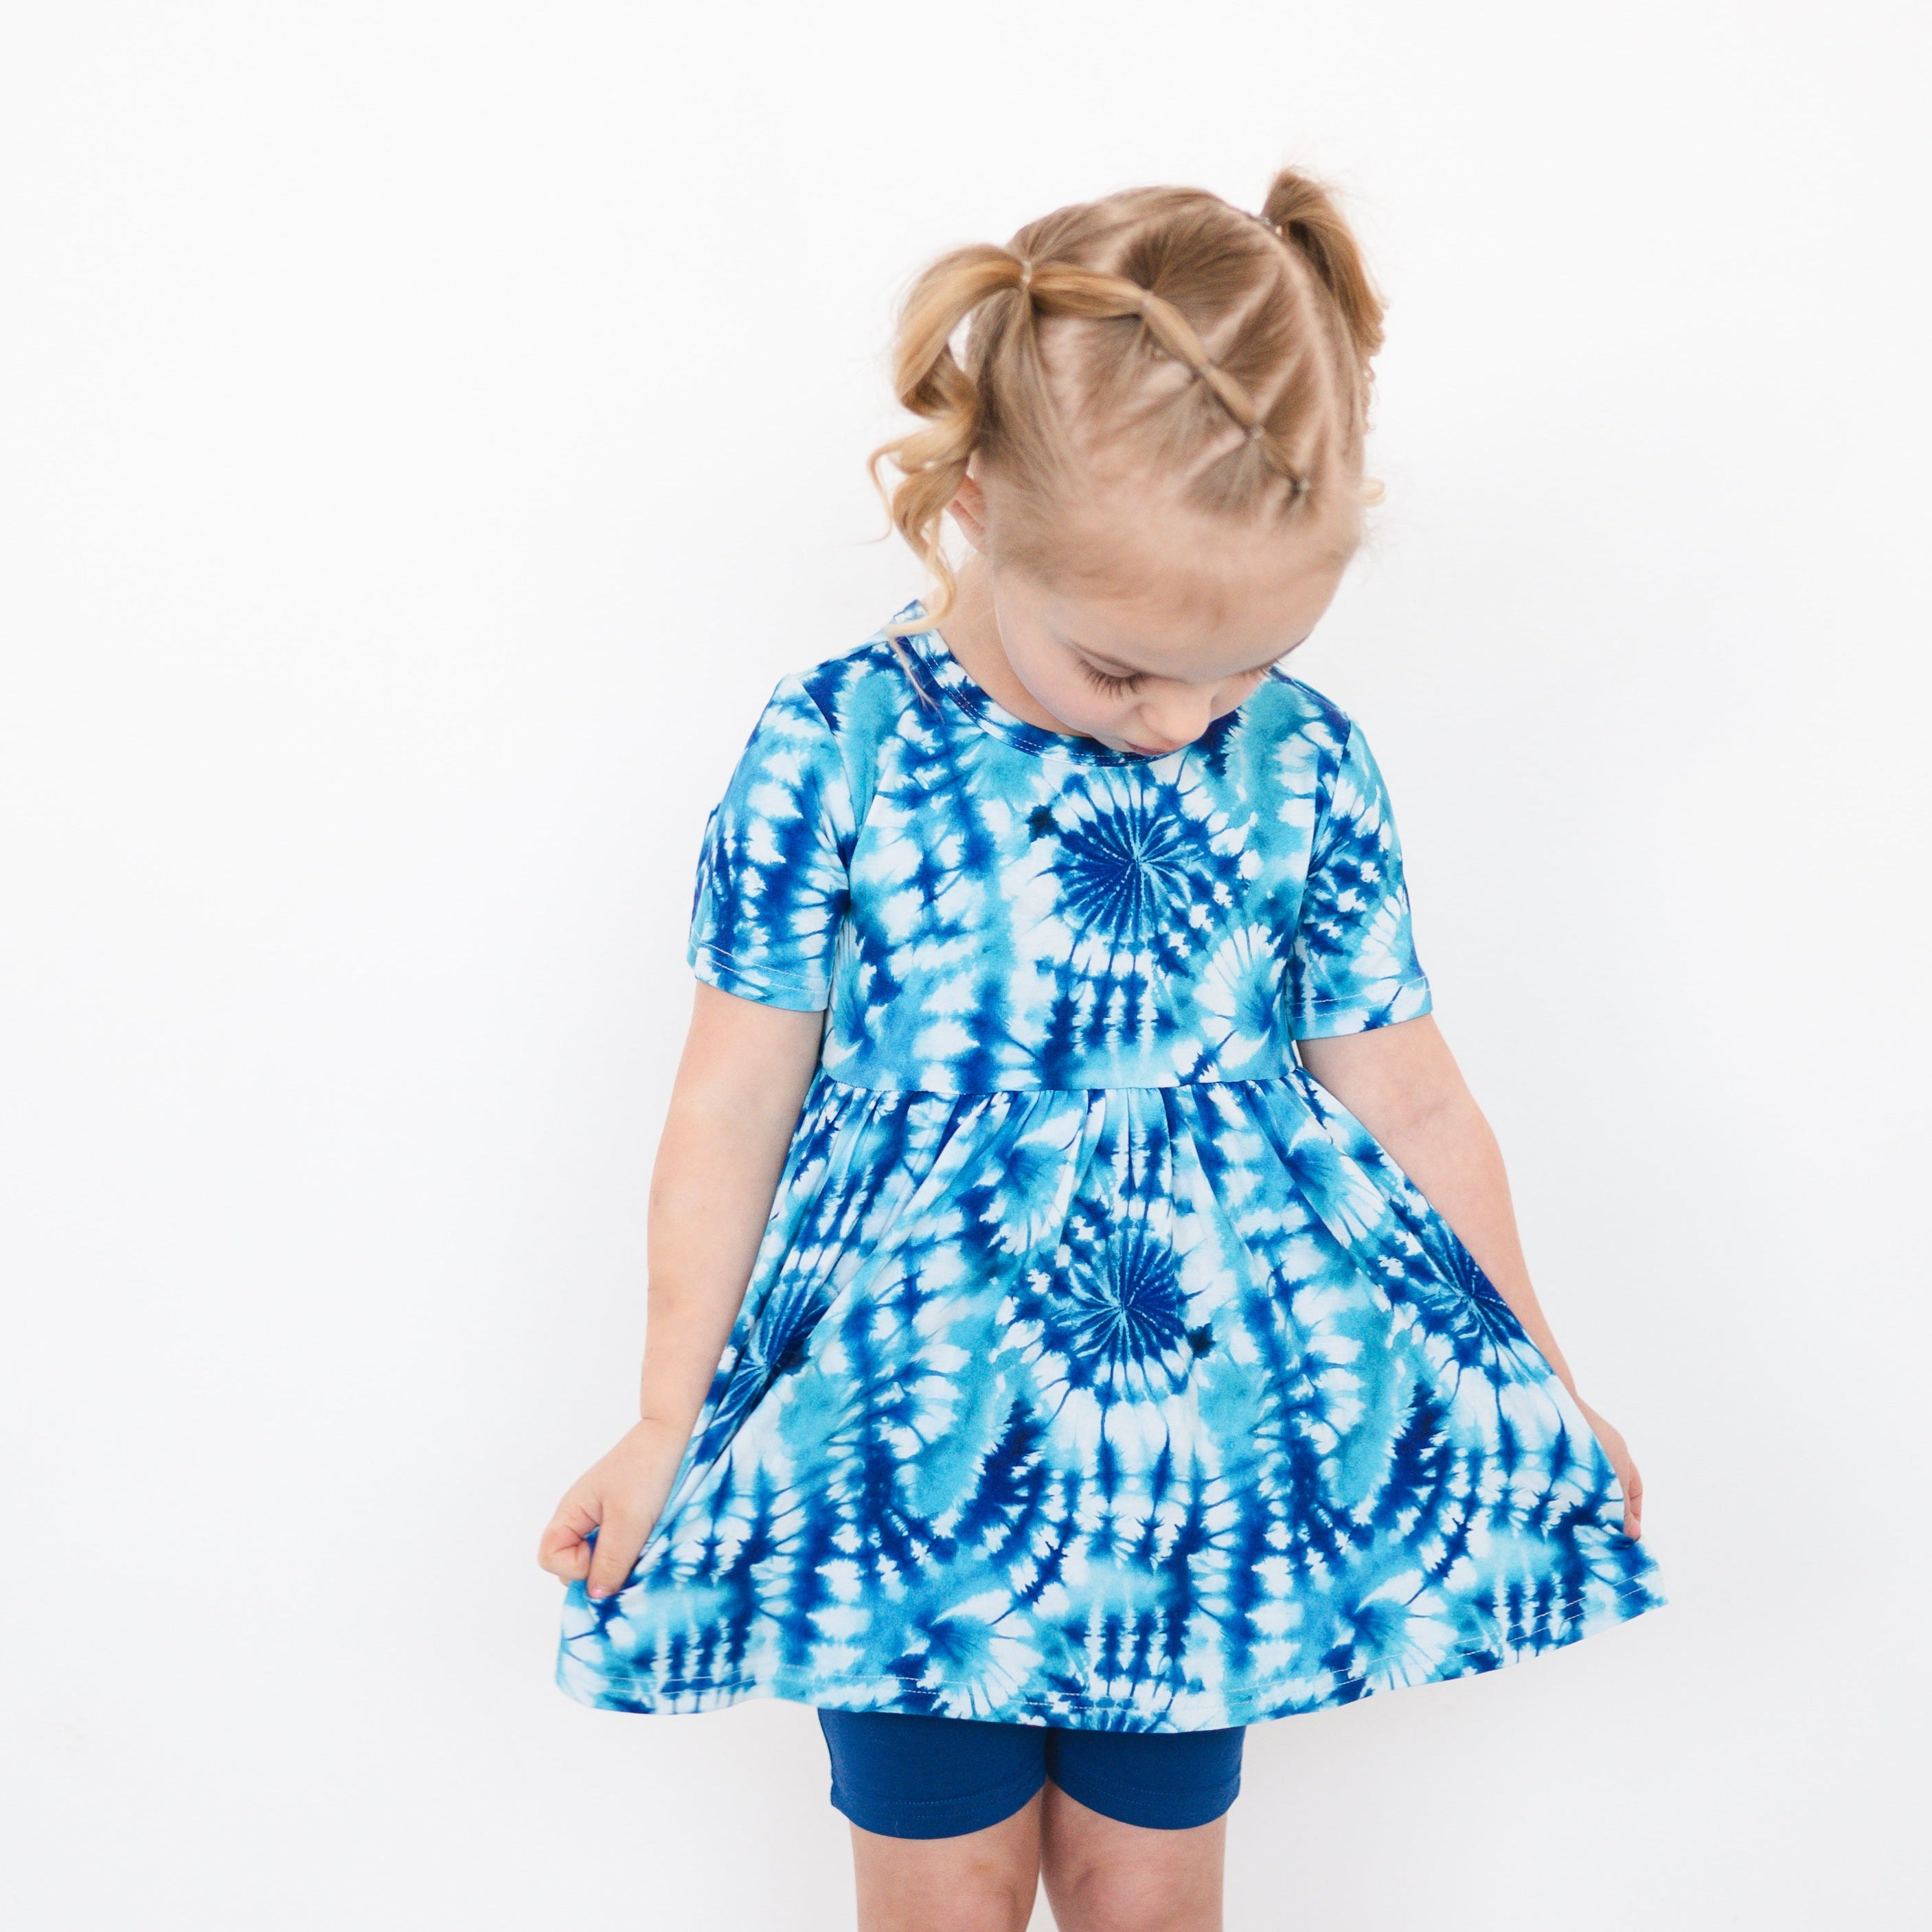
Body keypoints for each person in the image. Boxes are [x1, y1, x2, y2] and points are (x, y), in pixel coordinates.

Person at [537, 168, 1668, 1932]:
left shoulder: (1304, 763)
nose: (1185, 726)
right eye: (1126, 672)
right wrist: (669, 1419)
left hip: (1198, 1439)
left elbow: (1410, 1090)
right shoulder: (834, 740)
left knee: (1150, 1899)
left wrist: (1541, 1379)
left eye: (1242, 670)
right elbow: (732, 1094)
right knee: (946, 1897)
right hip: (898, 1437)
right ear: (976, 506)